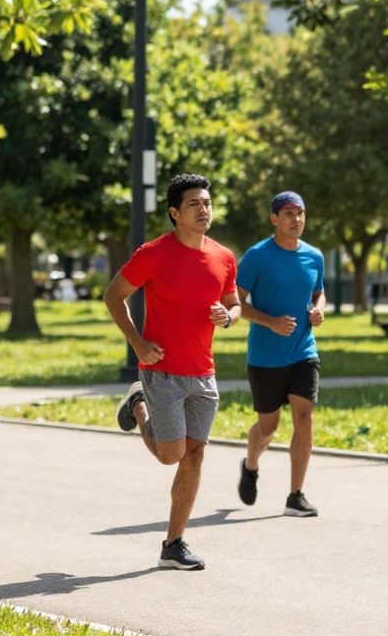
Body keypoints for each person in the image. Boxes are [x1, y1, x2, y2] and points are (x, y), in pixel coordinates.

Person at [105, 174, 240, 570]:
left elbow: (234, 304)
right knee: (170, 455)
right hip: (161, 369)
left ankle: (174, 544)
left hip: (204, 372)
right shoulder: (154, 253)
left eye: (207, 203)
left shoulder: (224, 256)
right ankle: (139, 404)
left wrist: (227, 316)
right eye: (195, 204)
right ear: (174, 212)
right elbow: (113, 295)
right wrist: (138, 344)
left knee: (194, 456)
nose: (204, 209)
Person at [233, 191, 327, 518]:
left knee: (304, 417)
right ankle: (251, 463)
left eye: (300, 213)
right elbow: (236, 303)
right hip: (265, 356)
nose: (295, 219)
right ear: (274, 218)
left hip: (303, 350)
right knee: (268, 427)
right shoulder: (257, 256)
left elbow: (319, 293)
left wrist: (318, 310)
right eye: (288, 213)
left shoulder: (314, 256)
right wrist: (270, 321)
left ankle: (295, 495)